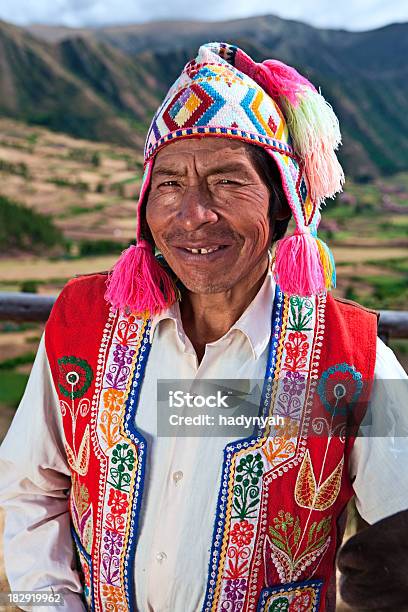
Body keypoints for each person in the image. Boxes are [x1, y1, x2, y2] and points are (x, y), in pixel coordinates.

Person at [0, 41, 407, 612]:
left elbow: (402, 541)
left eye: (227, 181)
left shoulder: (353, 357)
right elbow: (27, 493)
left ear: (282, 202)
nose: (193, 213)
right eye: (169, 183)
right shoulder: (82, 321)